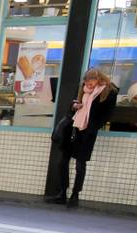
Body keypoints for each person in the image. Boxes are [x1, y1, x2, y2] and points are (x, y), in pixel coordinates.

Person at [45, 68, 117, 209]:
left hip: (87, 131)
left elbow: (107, 114)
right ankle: (62, 192)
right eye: (86, 82)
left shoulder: (109, 91)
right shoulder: (82, 88)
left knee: (80, 164)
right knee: (63, 161)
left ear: (98, 80)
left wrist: (93, 126)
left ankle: (75, 195)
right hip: (74, 127)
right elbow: (71, 106)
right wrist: (74, 106)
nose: (88, 85)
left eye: (91, 82)